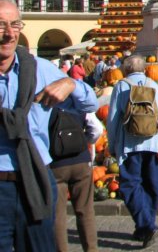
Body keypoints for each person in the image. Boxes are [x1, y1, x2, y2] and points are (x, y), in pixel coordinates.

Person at [0, 0, 97, 251]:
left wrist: (71, 83)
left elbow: (90, 105)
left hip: (36, 181)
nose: (9, 34)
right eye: (0, 25)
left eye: (14, 25)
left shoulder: (40, 70)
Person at [107, 55, 158, 249]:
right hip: (154, 143)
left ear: (125, 69)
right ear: (145, 68)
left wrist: (112, 144)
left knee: (129, 185)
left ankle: (146, 225)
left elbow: (113, 119)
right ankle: (145, 226)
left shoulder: (121, 86)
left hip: (129, 145)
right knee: (152, 185)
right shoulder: (154, 85)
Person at [50, 97, 101, 251]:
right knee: (85, 211)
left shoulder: (43, 102)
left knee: (58, 215)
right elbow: (96, 128)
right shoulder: (76, 99)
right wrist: (85, 142)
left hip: (56, 163)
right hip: (81, 160)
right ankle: (91, 249)